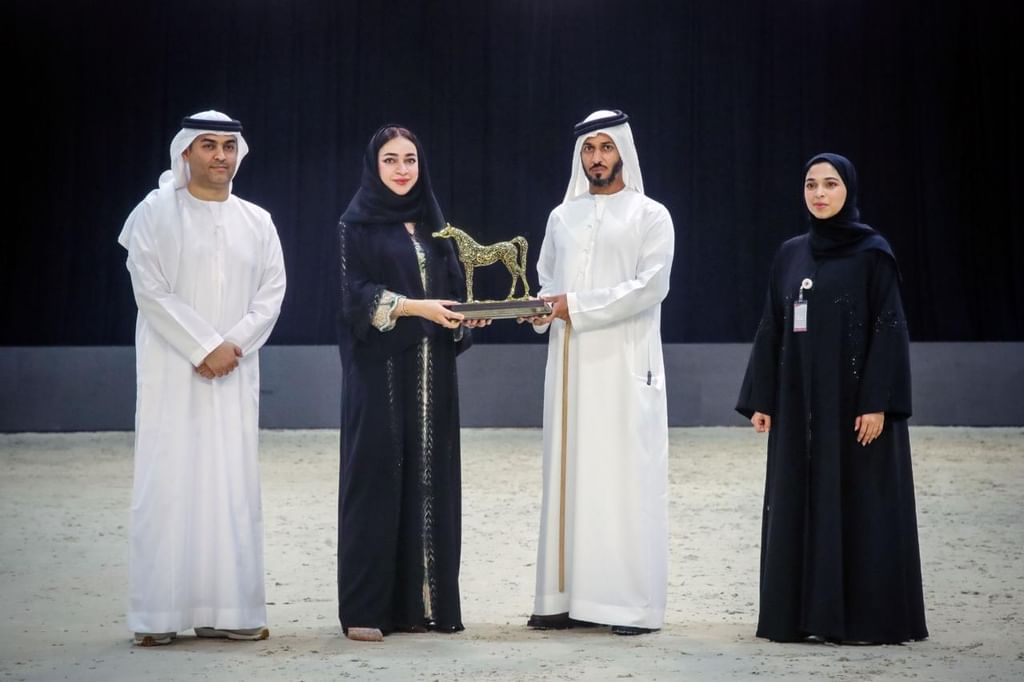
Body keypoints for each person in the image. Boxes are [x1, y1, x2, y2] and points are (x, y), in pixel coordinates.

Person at [736, 152, 928, 644]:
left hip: (854, 409)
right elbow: (772, 325)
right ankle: (799, 618)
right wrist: (763, 398)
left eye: (830, 184)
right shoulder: (790, 254)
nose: (819, 194)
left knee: (859, 502)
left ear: (849, 190)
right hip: (798, 406)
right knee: (798, 500)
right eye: (811, 185)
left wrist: (877, 401)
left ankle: (862, 620)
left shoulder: (873, 253)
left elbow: (889, 327)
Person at [118, 110, 287, 646]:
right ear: (185, 151)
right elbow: (150, 290)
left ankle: (231, 610)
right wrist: (203, 346)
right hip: (172, 371)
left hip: (233, 372)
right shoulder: (154, 213)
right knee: (167, 486)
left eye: (228, 146)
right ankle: (157, 616)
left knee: (230, 487)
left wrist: (230, 345)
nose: (220, 155)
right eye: (208, 145)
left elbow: (271, 296)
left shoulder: (257, 221)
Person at [524, 110, 674, 636]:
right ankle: (562, 599)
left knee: (622, 480)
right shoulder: (561, 217)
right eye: (589, 149)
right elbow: (546, 283)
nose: (597, 158)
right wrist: (538, 310)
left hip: (624, 366)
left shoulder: (651, 215)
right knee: (568, 475)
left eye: (606, 147)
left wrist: (575, 306)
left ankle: (630, 607)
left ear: (623, 152)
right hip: (568, 368)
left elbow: (650, 286)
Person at [335, 125, 487, 642]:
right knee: (376, 480)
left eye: (410, 160)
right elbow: (353, 297)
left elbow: (451, 292)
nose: (402, 170)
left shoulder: (433, 226)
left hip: (433, 375)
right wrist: (416, 308)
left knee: (431, 480)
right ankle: (366, 609)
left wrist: (466, 316)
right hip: (379, 373)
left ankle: (422, 606)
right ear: (373, 166)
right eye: (391, 160)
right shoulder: (355, 225)